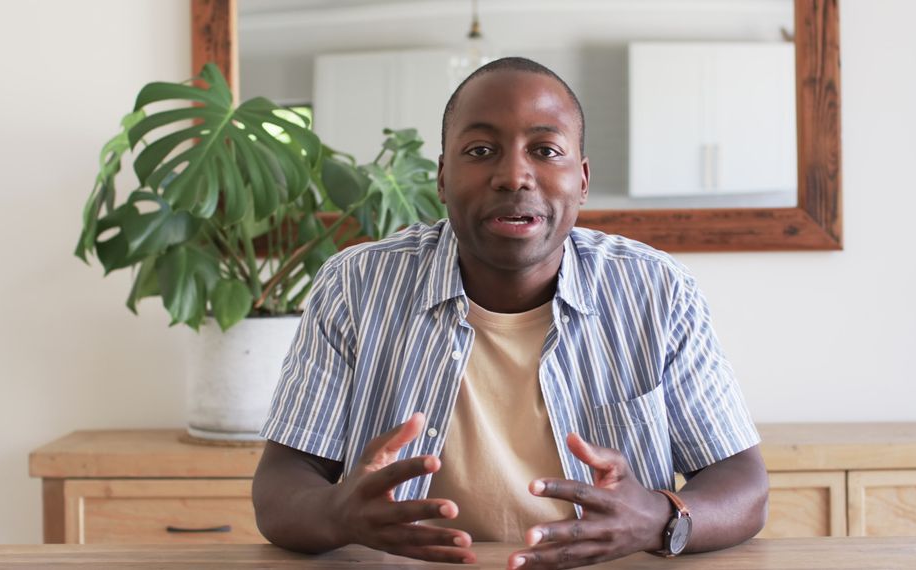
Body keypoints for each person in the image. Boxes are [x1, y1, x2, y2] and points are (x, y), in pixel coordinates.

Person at [252, 57, 769, 570]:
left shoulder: (655, 291)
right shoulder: (356, 287)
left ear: (582, 180)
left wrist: (659, 517)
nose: (513, 175)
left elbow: (743, 485)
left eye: (545, 150)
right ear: (441, 177)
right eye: (480, 151)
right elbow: (281, 486)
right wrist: (340, 513)